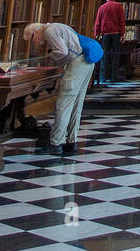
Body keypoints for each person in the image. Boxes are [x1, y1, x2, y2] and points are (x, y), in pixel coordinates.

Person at [24, 22, 94, 156]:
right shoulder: (58, 26)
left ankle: (56, 143)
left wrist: (50, 57)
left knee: (63, 104)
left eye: (32, 39)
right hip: (86, 62)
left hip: (77, 65)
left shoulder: (50, 31)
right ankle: (72, 141)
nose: (35, 43)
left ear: (36, 32)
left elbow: (62, 52)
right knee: (76, 104)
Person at [94, 0, 126, 84]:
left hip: (105, 34)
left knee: (104, 55)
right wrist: (122, 34)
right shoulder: (118, 6)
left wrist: (97, 34)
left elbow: (98, 22)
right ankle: (114, 76)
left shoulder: (102, 7)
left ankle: (103, 77)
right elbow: (122, 21)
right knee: (116, 55)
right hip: (116, 33)